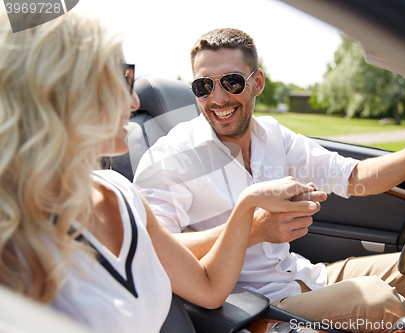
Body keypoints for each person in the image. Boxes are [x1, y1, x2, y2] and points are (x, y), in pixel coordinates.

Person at [134, 28, 405, 332]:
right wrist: (252, 230)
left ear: (256, 82)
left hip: (307, 277)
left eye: (231, 81)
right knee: (380, 302)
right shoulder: (171, 157)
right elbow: (153, 251)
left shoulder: (273, 136)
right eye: (203, 86)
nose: (219, 98)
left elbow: (356, 177)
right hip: (254, 307)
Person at [0, 14, 325, 333]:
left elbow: (210, 290)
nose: (134, 101)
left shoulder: (122, 195)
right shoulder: (12, 244)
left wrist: (248, 205)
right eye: (123, 78)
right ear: (55, 92)